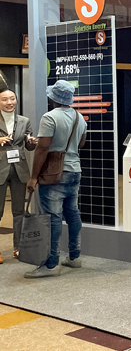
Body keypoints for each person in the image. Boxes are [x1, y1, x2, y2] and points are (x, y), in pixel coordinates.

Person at [25, 80, 87, 278]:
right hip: (75, 171)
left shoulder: (49, 117)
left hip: (54, 175)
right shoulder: (79, 117)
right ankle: (74, 256)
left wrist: (33, 177)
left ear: (53, 98)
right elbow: (81, 143)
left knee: (52, 219)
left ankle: (51, 264)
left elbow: (43, 148)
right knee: (73, 214)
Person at [0, 89, 37, 263]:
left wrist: (31, 142)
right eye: (4, 99)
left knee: (19, 211)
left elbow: (29, 147)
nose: (9, 102)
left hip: (19, 171)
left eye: (12, 98)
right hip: (0, 170)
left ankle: (18, 248)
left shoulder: (24, 121)